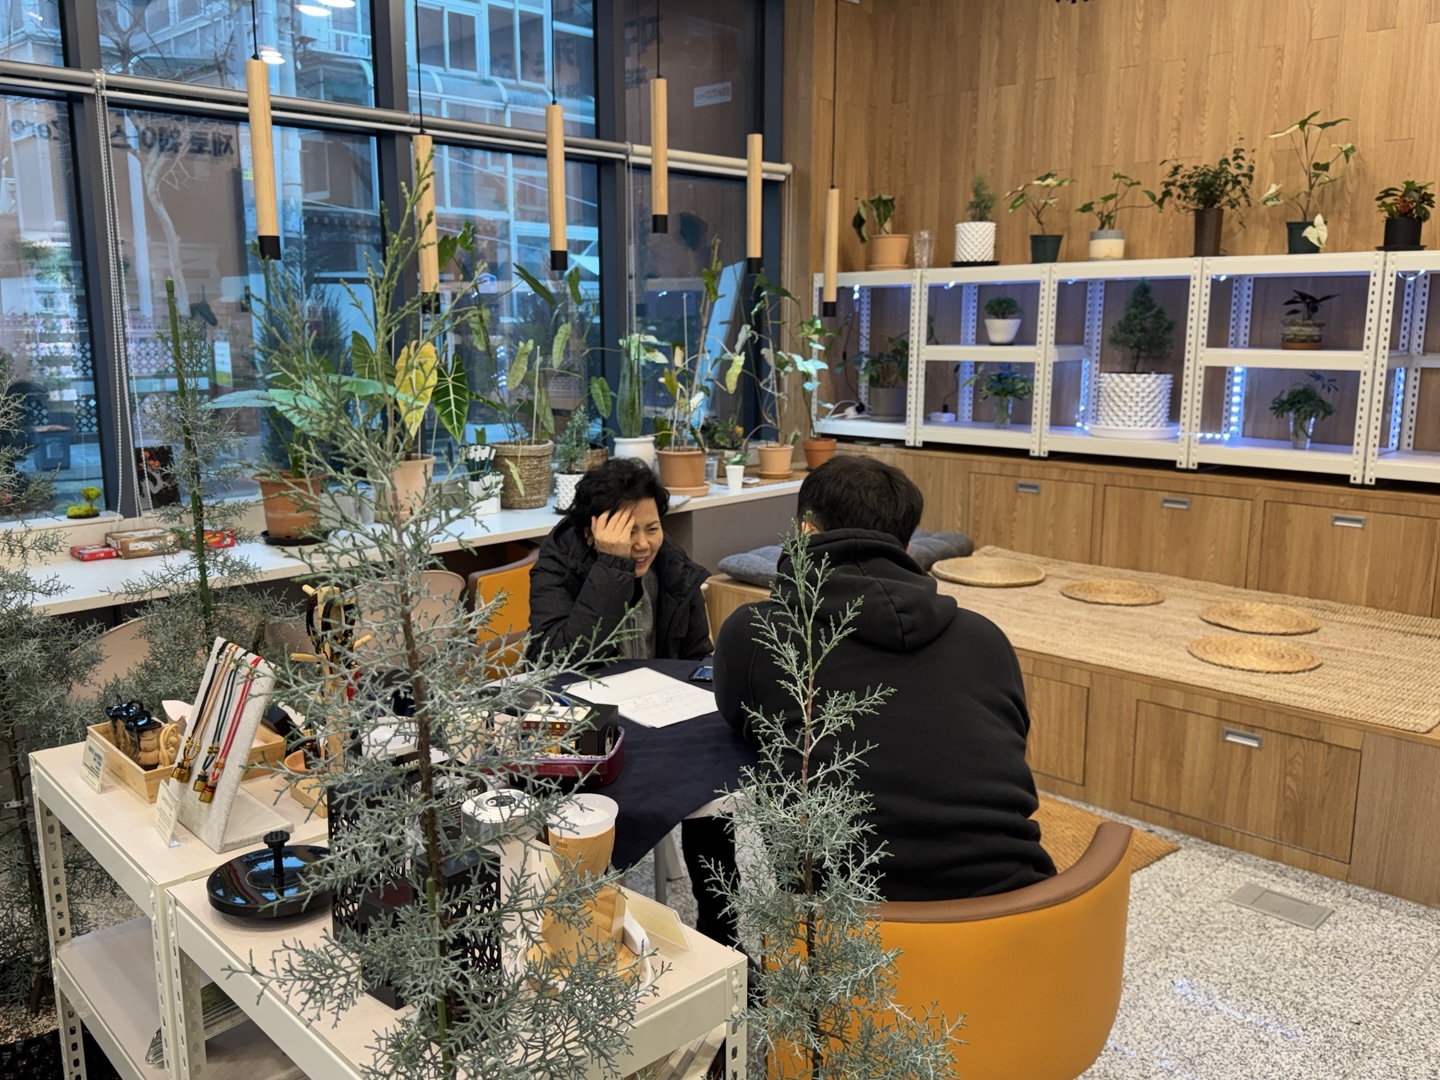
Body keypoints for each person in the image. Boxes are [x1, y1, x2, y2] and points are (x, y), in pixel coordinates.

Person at [713, 455, 1056, 901]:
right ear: (908, 546)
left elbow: (742, 728)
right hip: (1020, 911)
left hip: (839, 924)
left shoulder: (756, 632)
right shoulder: (986, 638)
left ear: (804, 532)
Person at [527, 457, 738, 944]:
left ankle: (721, 928)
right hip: (587, 730)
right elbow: (558, 663)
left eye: (652, 528)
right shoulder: (559, 563)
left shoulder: (673, 567)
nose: (641, 543)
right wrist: (612, 566)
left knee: (715, 775)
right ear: (592, 532)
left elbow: (697, 657)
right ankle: (592, 927)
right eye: (627, 531)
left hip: (663, 717)